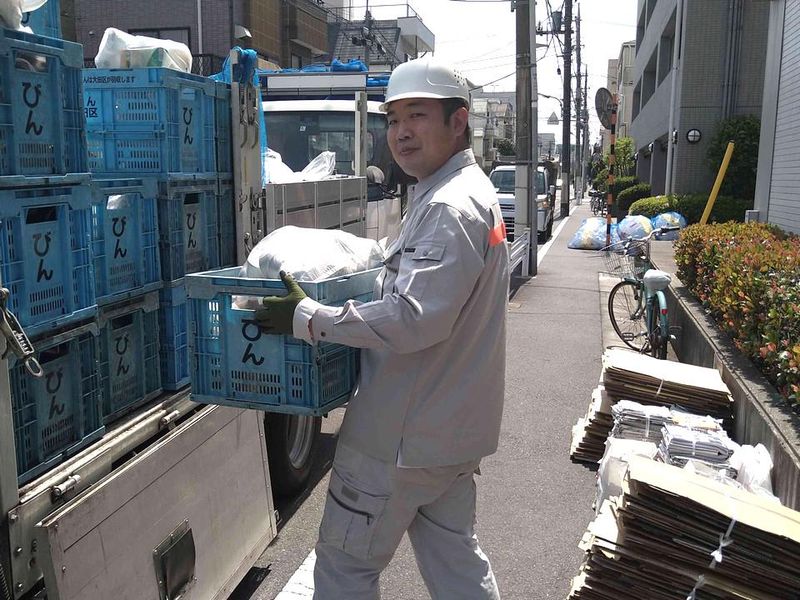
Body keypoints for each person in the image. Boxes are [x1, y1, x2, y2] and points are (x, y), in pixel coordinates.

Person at [256, 56, 509, 599]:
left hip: (398, 437)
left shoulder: (450, 207)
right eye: (393, 120)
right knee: (456, 564)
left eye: (417, 116)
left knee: (345, 567)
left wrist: (310, 317)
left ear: (458, 121)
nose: (400, 133)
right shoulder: (462, 194)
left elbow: (414, 318)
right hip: (448, 434)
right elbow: (428, 293)